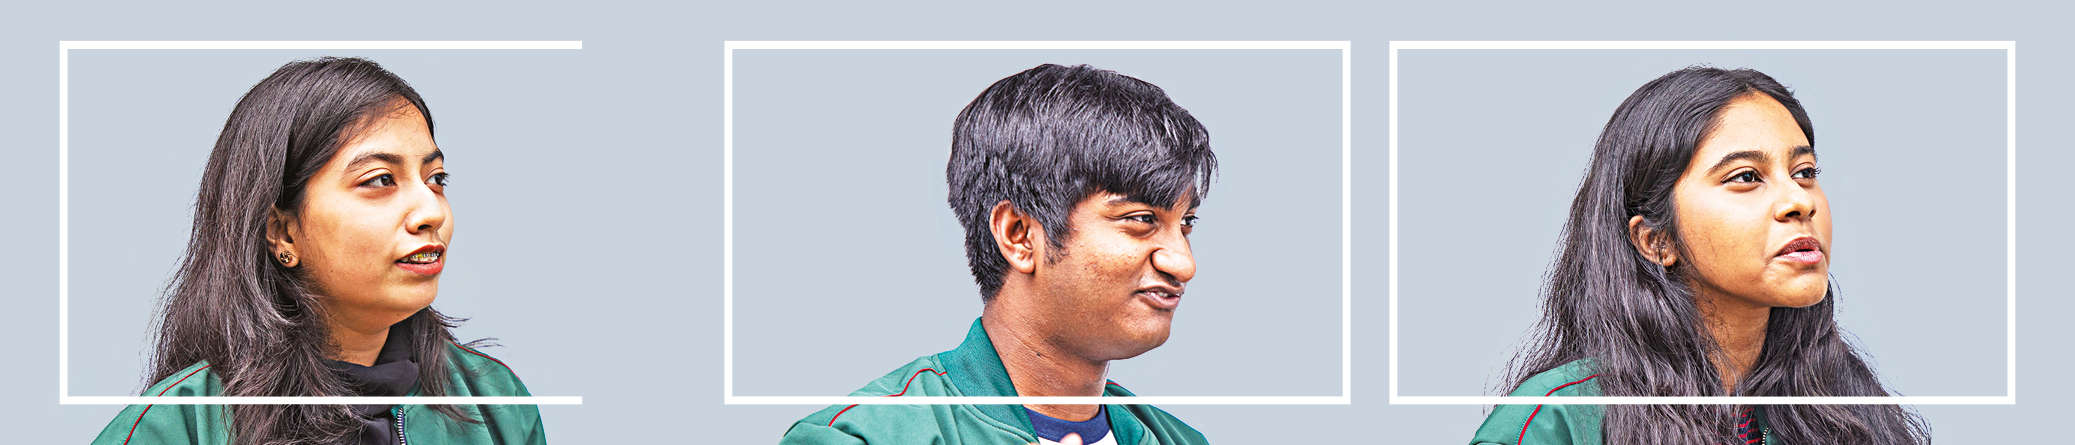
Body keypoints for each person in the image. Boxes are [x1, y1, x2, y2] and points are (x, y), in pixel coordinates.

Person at [92, 57, 544, 445]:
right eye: (380, 180)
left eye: (436, 179)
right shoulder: (179, 427)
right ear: (283, 233)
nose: (431, 211)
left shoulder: (495, 403)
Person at [1468, 67, 1929, 445]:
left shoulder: (1852, 413)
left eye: (1804, 172)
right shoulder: (1558, 421)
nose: (1799, 201)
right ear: (1656, 241)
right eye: (1746, 177)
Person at [779, 64, 1217, 445]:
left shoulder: (1179, 439)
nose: (1183, 263)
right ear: (1019, 235)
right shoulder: (863, 437)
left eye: (1186, 223)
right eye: (1141, 219)